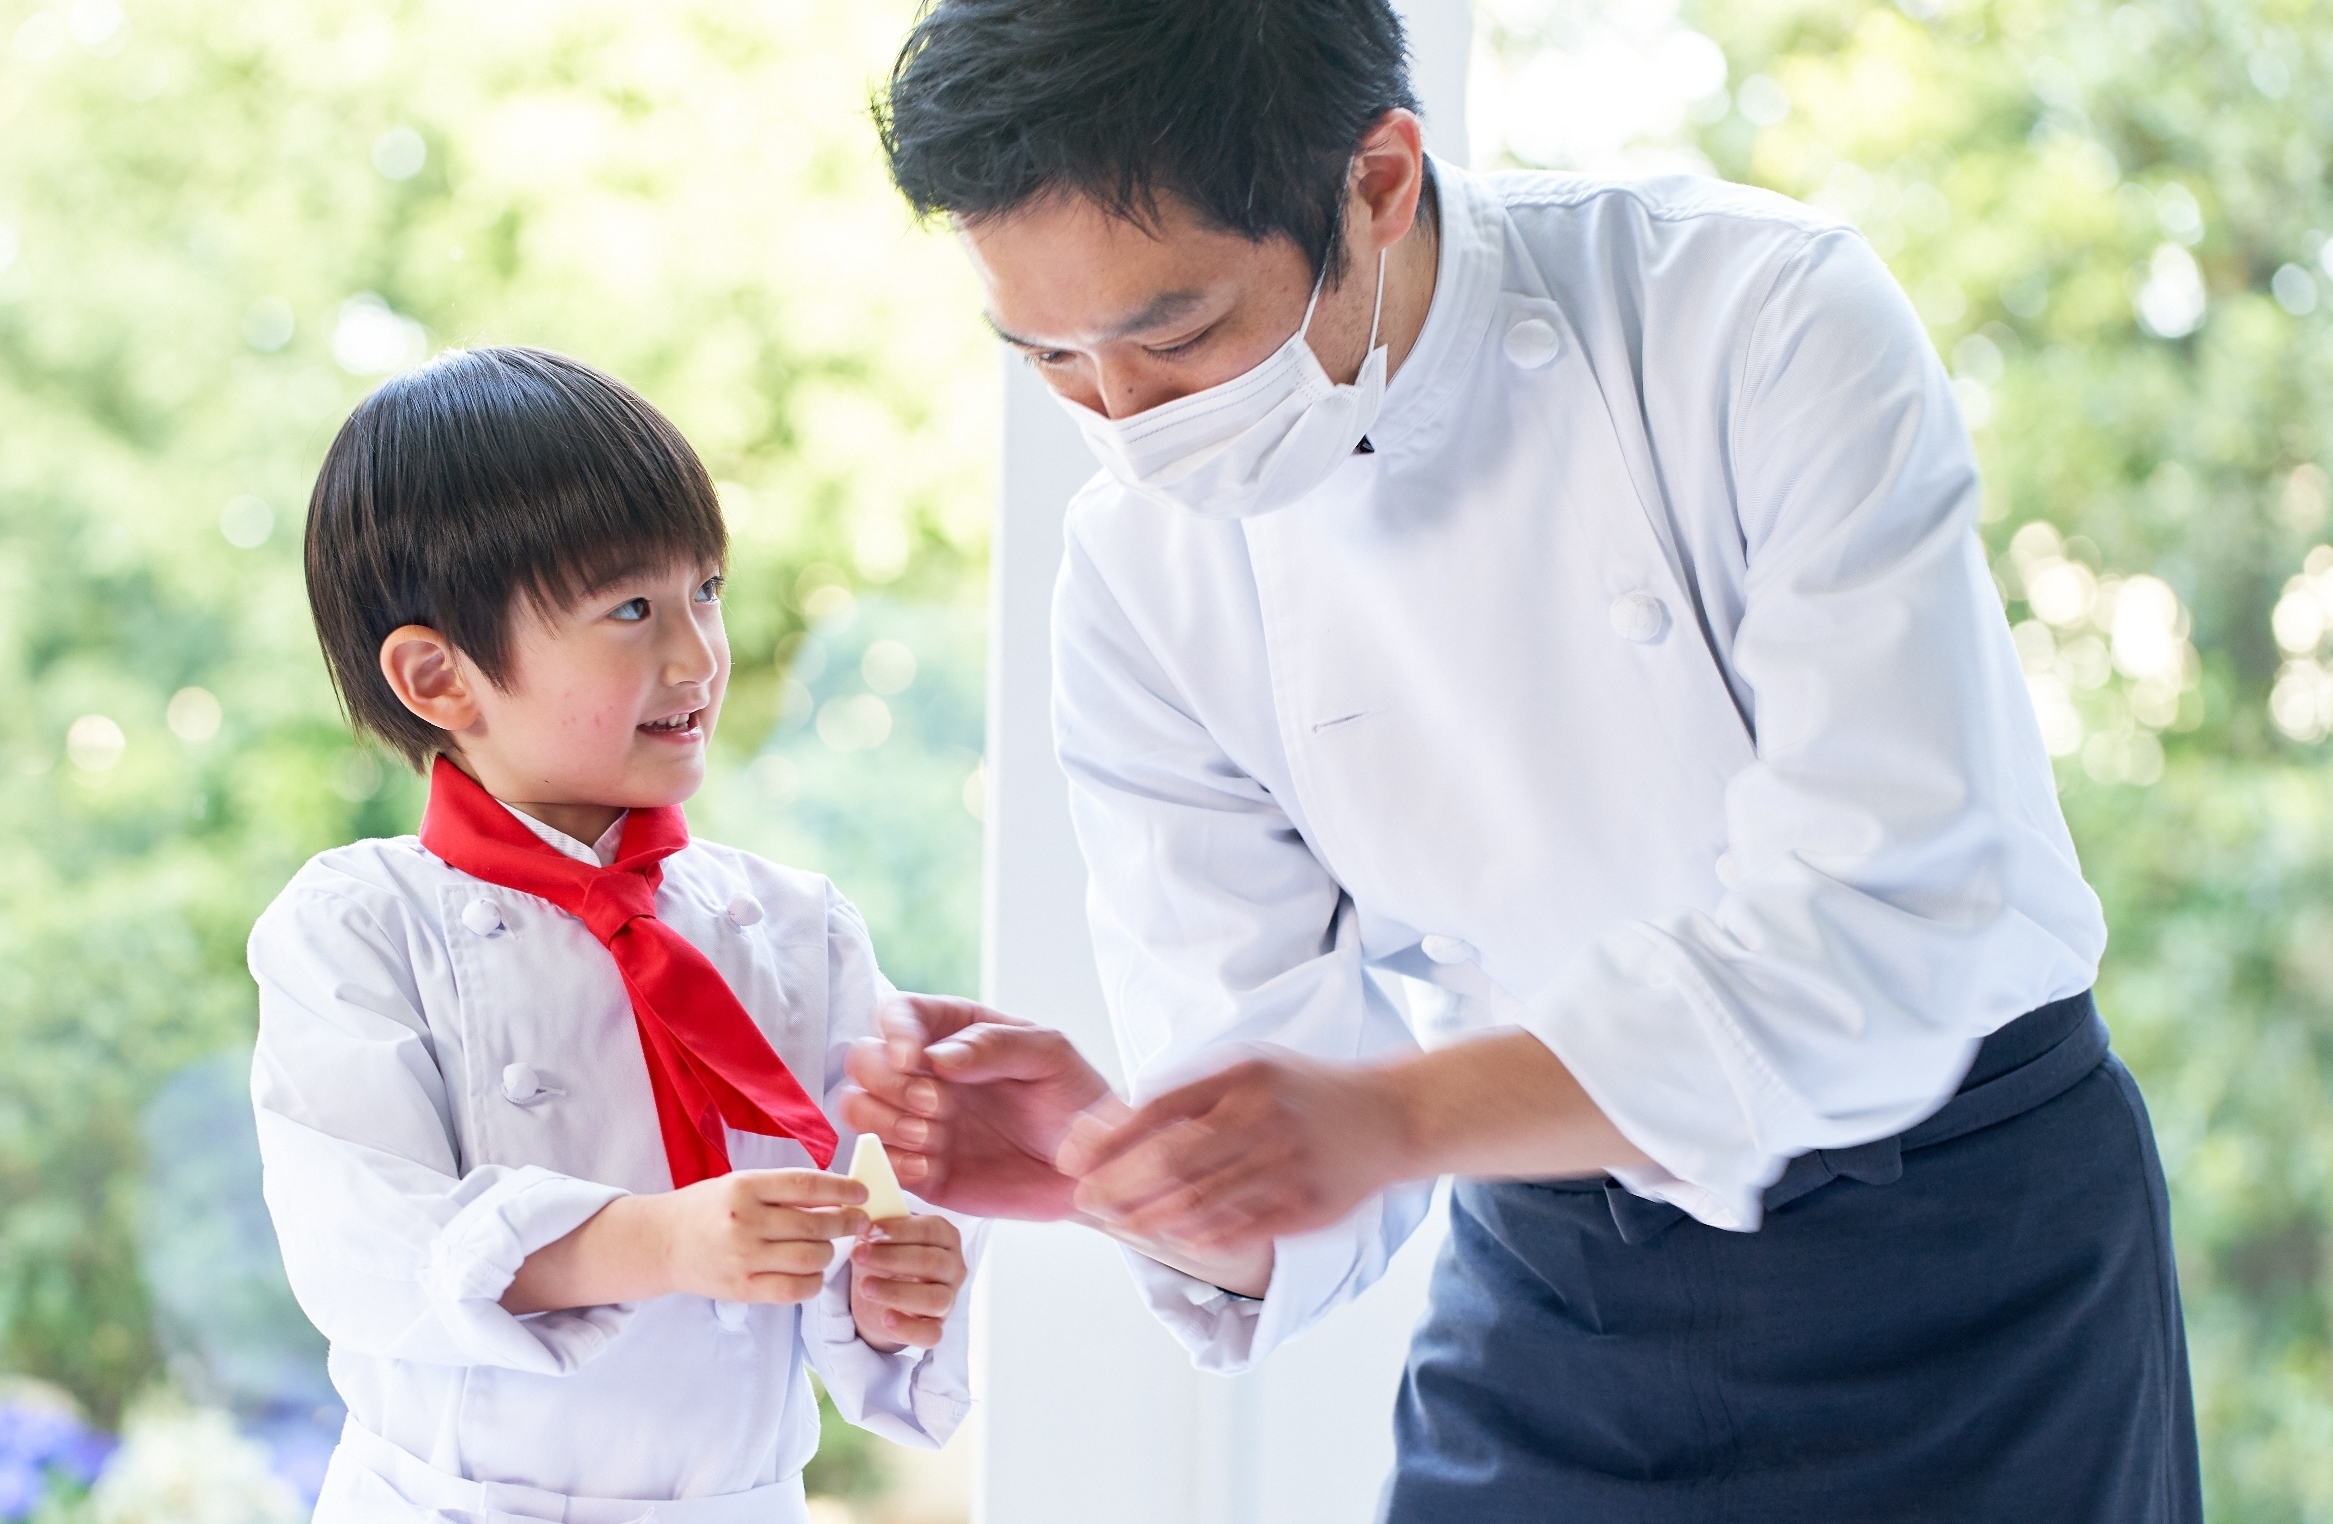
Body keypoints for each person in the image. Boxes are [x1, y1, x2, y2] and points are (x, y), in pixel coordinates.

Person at [839, 1, 2202, 1519]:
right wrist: (1132, 1175)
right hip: (1558, 1294)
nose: (1126, 420)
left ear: (1379, 181)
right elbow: (1290, 1124)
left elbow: (1877, 919)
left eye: (1178, 337)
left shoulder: (1755, 319)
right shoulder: (1131, 584)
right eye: (1051, 359)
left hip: (1968, 1257)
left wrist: (1398, 1118)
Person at [248, 346, 980, 1524]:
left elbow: (875, 1206)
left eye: (706, 591)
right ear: (439, 676)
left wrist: (899, 1285)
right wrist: (659, 1243)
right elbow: (368, 1247)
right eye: (631, 608)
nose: (695, 655)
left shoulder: (799, 928)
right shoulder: (355, 928)